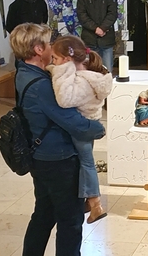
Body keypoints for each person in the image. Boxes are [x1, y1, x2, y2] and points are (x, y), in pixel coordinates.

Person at [10, 23, 105, 256]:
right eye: (49, 43)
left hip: (41, 157)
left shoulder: (24, 73)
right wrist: (97, 128)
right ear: (38, 49)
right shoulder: (42, 85)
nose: (53, 47)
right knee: (70, 221)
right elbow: (70, 120)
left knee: (43, 213)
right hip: (59, 158)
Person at [48, 35, 112, 224]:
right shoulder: (90, 74)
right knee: (85, 162)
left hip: (81, 126)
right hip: (87, 123)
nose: (53, 63)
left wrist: (60, 71)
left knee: (87, 163)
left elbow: (64, 100)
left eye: (55, 59)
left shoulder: (82, 81)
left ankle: (96, 204)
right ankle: (89, 201)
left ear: (67, 60)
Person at [76, 0, 118, 72]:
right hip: (90, 39)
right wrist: (95, 28)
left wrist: (103, 28)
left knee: (107, 70)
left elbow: (112, 13)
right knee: (91, 71)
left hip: (106, 38)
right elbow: (82, 15)